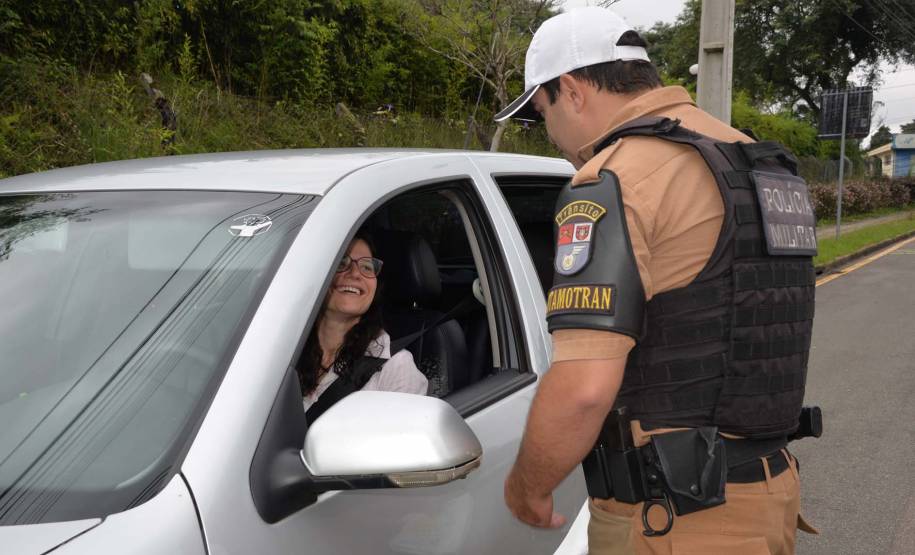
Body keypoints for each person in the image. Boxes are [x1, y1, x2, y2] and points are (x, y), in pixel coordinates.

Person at [497, 7, 818, 554]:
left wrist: (528, 486)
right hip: (769, 494)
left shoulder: (616, 178)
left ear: (572, 90)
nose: (548, 132)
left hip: (675, 519)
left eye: (541, 111)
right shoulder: (759, 163)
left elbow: (584, 390)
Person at [298, 231, 428, 423]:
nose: (355, 274)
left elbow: (403, 446)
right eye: (341, 263)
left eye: (367, 267)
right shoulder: (283, 353)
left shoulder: (395, 366)